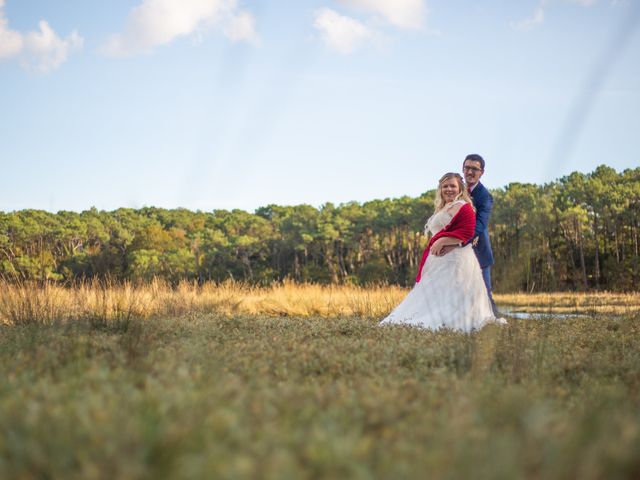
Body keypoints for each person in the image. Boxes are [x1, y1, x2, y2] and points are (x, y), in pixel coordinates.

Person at [380, 172, 505, 332]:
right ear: (440, 189)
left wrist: (444, 241)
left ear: (460, 188)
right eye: (445, 186)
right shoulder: (443, 207)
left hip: (456, 260)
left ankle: (449, 320)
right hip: (440, 261)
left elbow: (468, 232)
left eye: (453, 186)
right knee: (432, 294)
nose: (449, 189)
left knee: (452, 293)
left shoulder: (463, 206)